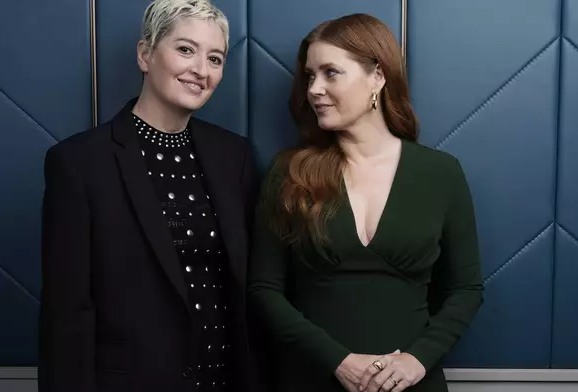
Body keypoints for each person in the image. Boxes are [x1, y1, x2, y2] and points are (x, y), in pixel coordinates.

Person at [247, 13, 484, 392]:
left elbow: (466, 290)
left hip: (412, 384)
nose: (314, 89)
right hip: (310, 379)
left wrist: (416, 360)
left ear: (378, 75)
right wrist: (338, 362)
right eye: (310, 76)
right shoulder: (288, 171)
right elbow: (264, 289)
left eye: (330, 73)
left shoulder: (441, 173)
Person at [38, 1, 264, 391]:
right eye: (185, 49)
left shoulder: (236, 156)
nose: (201, 70)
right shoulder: (79, 163)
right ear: (145, 54)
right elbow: (67, 314)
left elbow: (252, 288)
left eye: (215, 58)